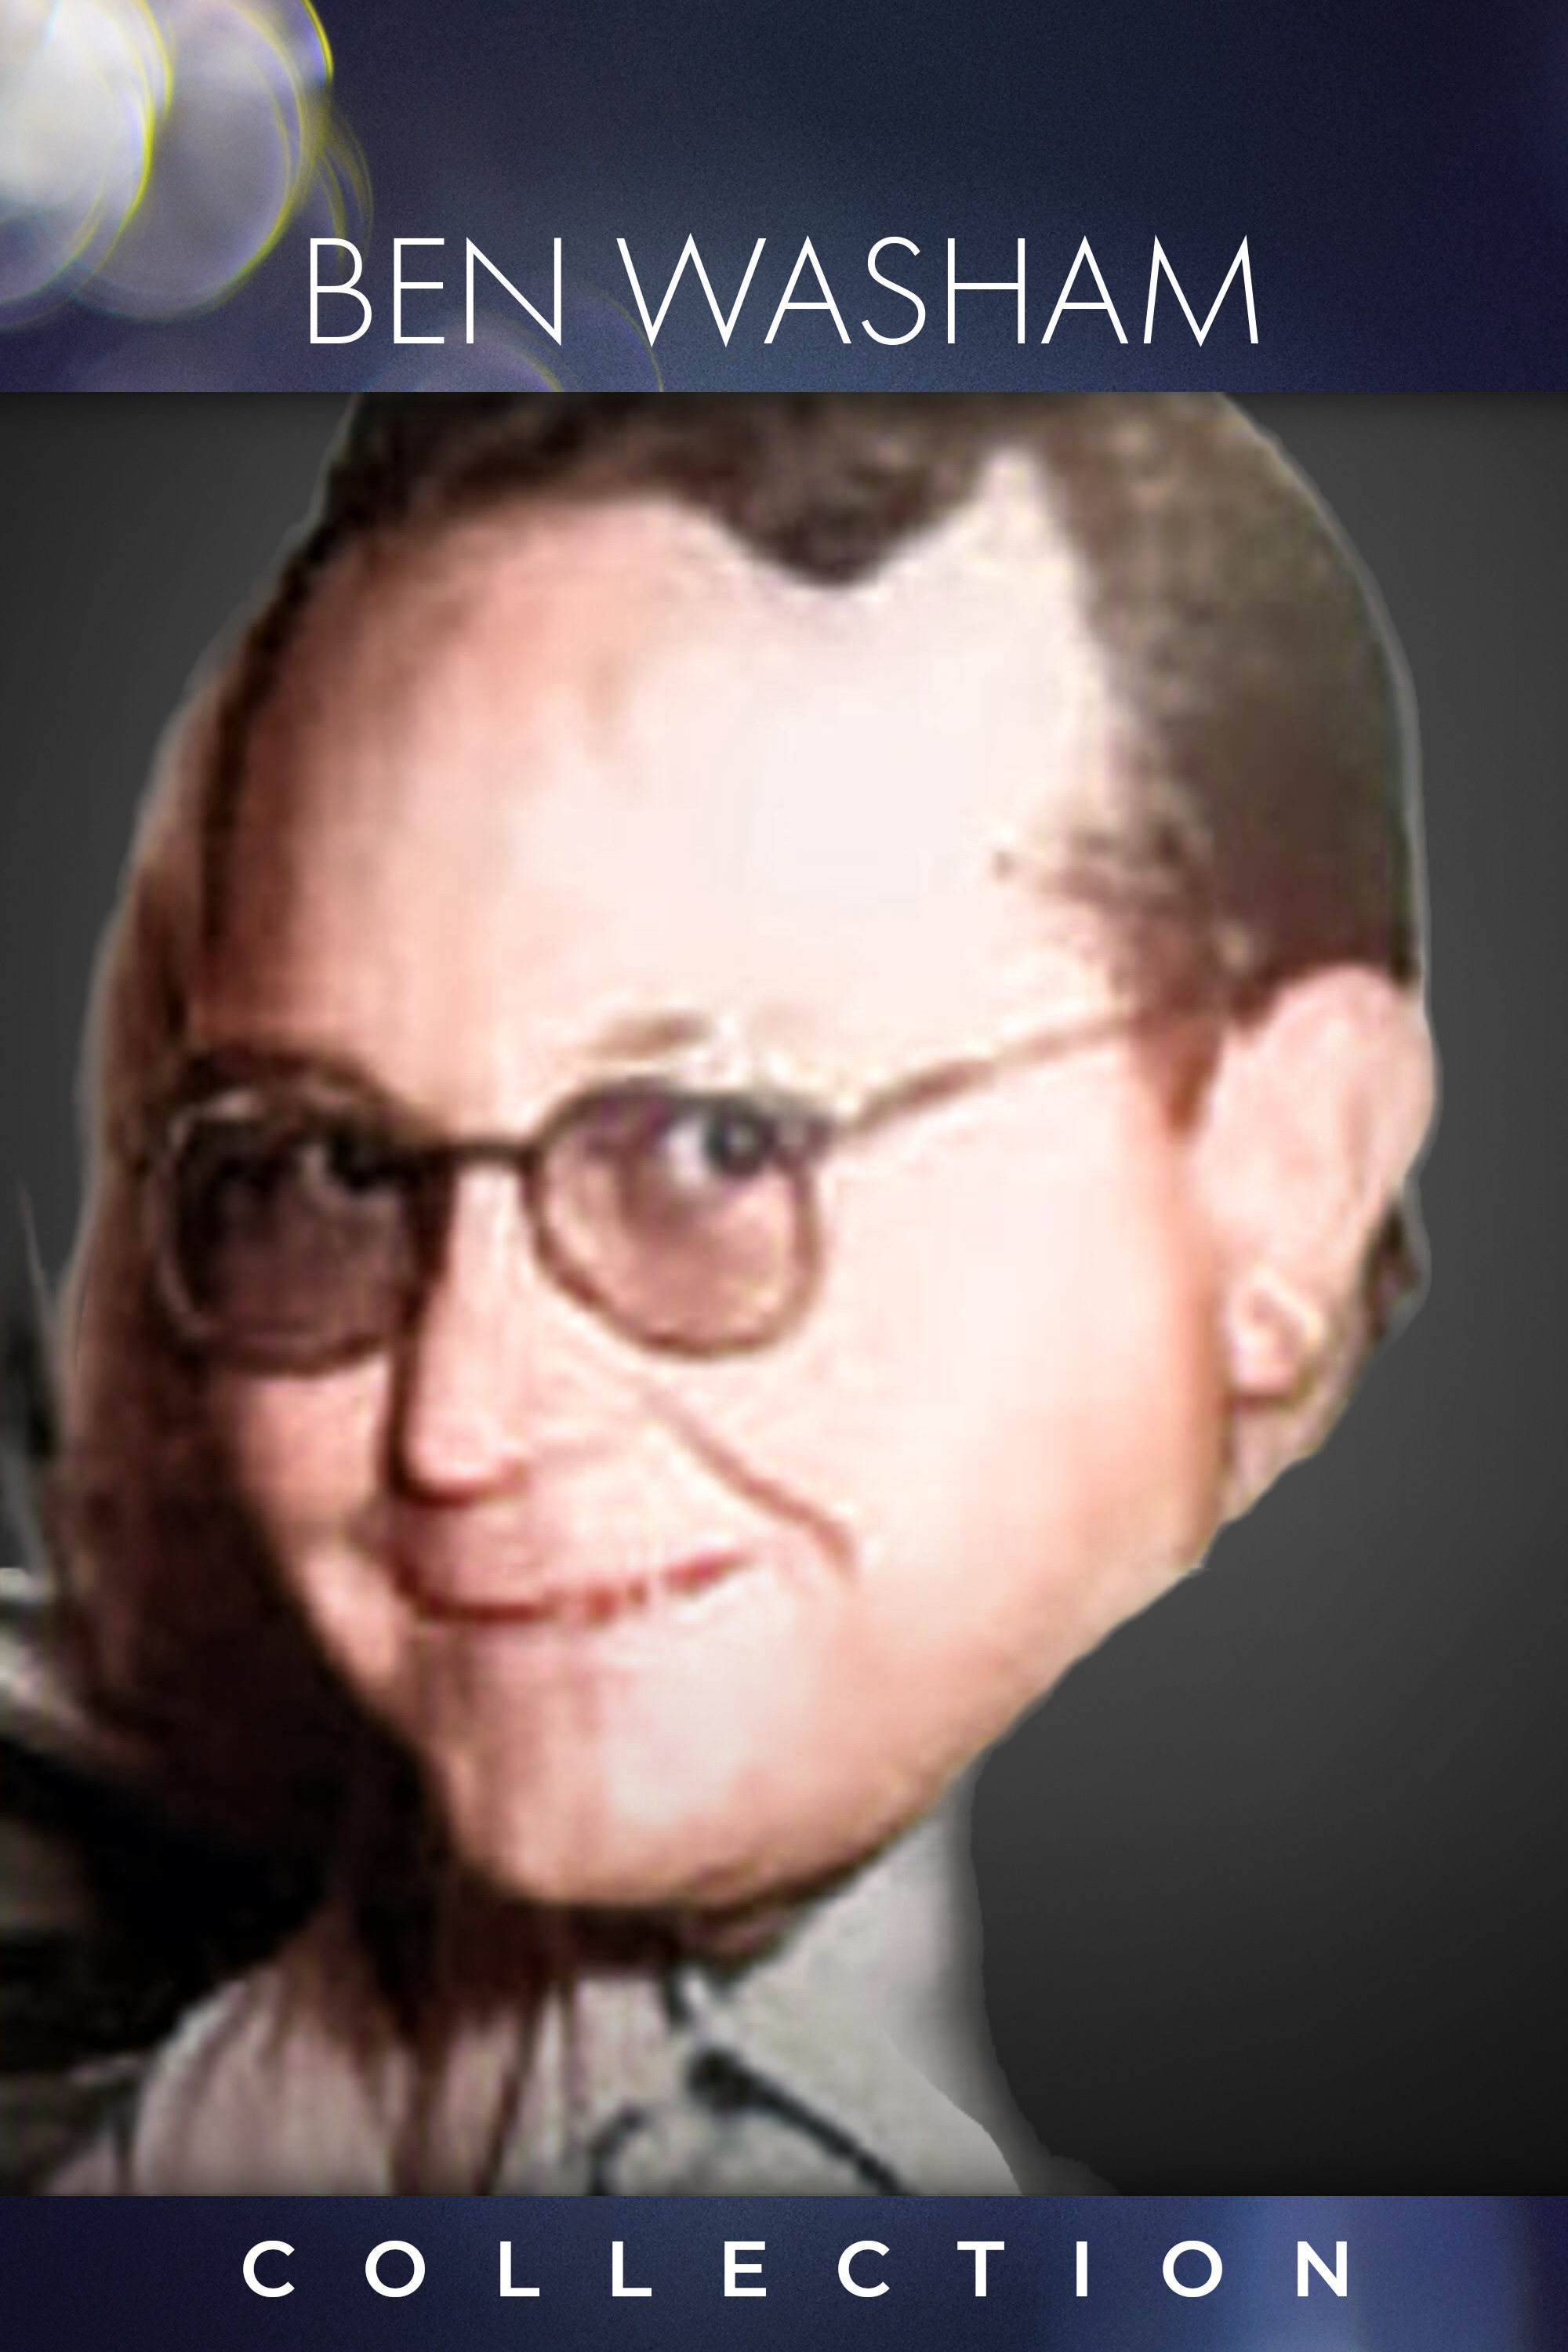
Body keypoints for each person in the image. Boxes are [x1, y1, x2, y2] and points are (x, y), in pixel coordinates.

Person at [29, 394, 1432, 2192]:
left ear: (1287, 1169)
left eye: (713, 1148)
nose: (456, 1427)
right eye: (336, 1173)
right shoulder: (490, 1950)